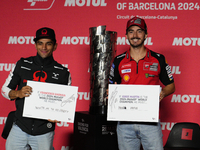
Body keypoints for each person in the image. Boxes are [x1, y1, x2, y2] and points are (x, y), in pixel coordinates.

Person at [109, 17, 175, 150]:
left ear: (146, 34)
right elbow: (111, 87)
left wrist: (162, 94)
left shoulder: (158, 59)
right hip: (124, 123)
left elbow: (171, 86)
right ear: (126, 35)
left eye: (139, 31)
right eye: (131, 31)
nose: (135, 35)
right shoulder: (118, 61)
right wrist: (110, 93)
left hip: (150, 122)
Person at [1, 27, 71, 150]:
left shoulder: (63, 72)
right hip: (19, 128)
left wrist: (59, 115)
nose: (44, 47)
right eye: (40, 43)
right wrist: (18, 93)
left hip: (44, 131)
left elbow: (66, 104)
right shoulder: (22, 64)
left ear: (55, 46)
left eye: (48, 44)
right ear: (35, 45)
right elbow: (5, 90)